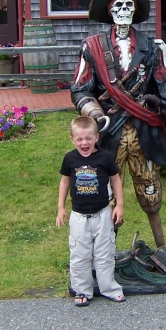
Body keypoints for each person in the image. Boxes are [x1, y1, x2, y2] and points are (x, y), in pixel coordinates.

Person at [71, 0, 166, 249]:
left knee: (151, 194)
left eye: (128, 6)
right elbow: (80, 89)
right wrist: (94, 112)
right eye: (118, 6)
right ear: (109, 11)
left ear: (135, 11)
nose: (123, 12)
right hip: (107, 134)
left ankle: (163, 250)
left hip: (144, 133)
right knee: (107, 198)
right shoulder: (91, 47)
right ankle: (105, 256)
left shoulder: (153, 48)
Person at [56, 115, 125, 307]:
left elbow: (116, 179)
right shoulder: (69, 158)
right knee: (80, 255)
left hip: (103, 215)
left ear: (96, 138)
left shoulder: (105, 157)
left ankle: (109, 288)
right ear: (72, 139)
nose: (84, 142)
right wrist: (61, 207)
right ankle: (82, 290)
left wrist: (119, 205)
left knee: (104, 254)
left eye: (88, 138)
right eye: (79, 139)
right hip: (78, 217)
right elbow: (65, 181)